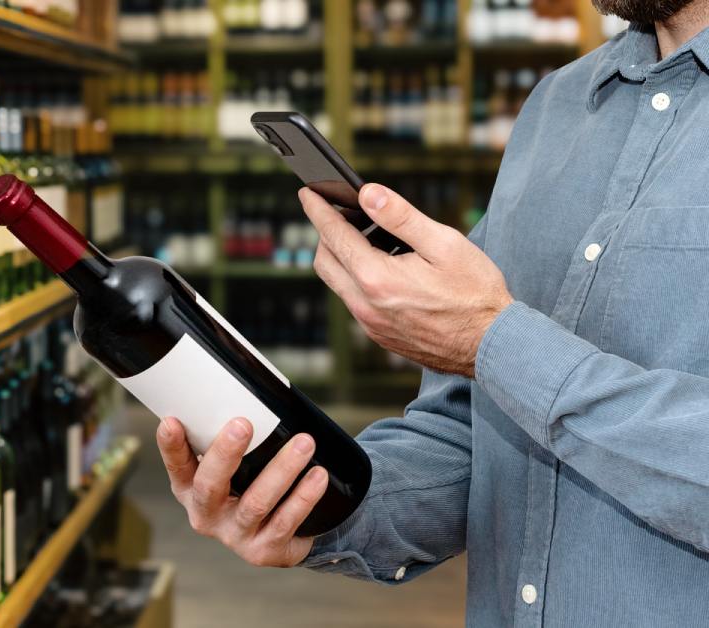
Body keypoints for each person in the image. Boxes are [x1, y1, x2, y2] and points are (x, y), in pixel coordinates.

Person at [156, 1, 709, 625]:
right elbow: (470, 434)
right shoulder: (557, 106)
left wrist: (493, 342)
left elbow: (502, 358)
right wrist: (318, 506)